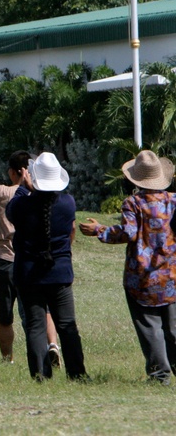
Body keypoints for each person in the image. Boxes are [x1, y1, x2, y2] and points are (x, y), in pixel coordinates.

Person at [80, 151, 175, 383]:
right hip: (172, 274)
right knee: (173, 327)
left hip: (141, 278)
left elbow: (129, 233)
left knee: (149, 326)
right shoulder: (173, 201)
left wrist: (100, 230)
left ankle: (159, 374)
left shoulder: (133, 203)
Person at [0, 151, 60, 365]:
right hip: (34, 259)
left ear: (12, 172)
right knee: (41, 308)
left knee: (4, 315)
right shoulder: (42, 194)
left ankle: (7, 358)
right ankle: (52, 344)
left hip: (7, 259)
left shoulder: (3, 191)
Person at [6, 152, 88, 382]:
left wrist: (24, 187)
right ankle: (77, 373)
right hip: (59, 272)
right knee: (67, 325)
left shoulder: (22, 204)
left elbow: (11, 210)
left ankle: (41, 374)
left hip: (29, 274)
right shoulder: (67, 203)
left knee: (35, 326)